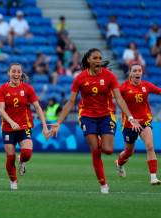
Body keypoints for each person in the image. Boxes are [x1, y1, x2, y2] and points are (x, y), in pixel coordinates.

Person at [49, 48, 142, 194]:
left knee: (108, 150)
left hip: (106, 115)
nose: (98, 60)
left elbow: (119, 98)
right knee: (95, 149)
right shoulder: (80, 78)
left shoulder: (109, 76)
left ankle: (103, 145)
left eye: (100, 57)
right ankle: (103, 184)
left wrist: (130, 117)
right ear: (89, 61)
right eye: (95, 58)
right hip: (87, 116)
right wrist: (58, 122)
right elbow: (71, 101)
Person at [0, 63, 49, 190]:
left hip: (24, 126)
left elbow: (37, 107)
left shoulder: (28, 89)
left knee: (27, 154)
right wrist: (11, 122)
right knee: (10, 157)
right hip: (8, 128)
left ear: (21, 74)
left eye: (18, 72)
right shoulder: (2, 89)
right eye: (13, 71)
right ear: (9, 73)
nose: (16, 74)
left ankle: (21, 161)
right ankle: (13, 181)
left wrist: (44, 126)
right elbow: (1, 110)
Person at [115, 63, 161, 184]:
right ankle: (119, 163)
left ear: (142, 72)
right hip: (129, 124)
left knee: (150, 146)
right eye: (134, 71)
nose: (137, 73)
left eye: (139, 71)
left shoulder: (146, 85)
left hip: (145, 121)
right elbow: (115, 98)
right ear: (130, 73)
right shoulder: (123, 87)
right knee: (129, 152)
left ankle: (153, 177)